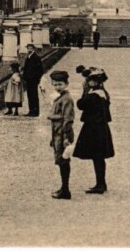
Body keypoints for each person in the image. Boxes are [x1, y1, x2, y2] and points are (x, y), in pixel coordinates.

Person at [73, 70, 114, 194]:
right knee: (99, 157)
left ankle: (100, 184)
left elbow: (80, 104)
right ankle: (101, 183)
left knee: (97, 156)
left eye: (90, 80)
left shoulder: (94, 95)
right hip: (101, 127)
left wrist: (84, 91)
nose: (87, 82)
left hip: (94, 128)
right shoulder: (103, 93)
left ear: (96, 82)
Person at [47, 71, 75, 200]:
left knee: (64, 161)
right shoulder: (60, 97)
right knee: (61, 160)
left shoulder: (67, 99)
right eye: (55, 85)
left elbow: (68, 119)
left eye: (60, 84)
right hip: (57, 133)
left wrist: (65, 138)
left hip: (63, 134)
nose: (58, 87)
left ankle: (65, 190)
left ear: (66, 84)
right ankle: (64, 187)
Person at [22, 43, 44, 117]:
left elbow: (40, 70)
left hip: (33, 80)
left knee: (34, 95)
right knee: (29, 95)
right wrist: (24, 76)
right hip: (28, 79)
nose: (29, 49)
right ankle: (31, 110)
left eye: (31, 48)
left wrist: (37, 78)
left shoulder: (36, 57)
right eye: (28, 48)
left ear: (33, 49)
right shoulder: (28, 57)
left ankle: (36, 111)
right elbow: (25, 68)